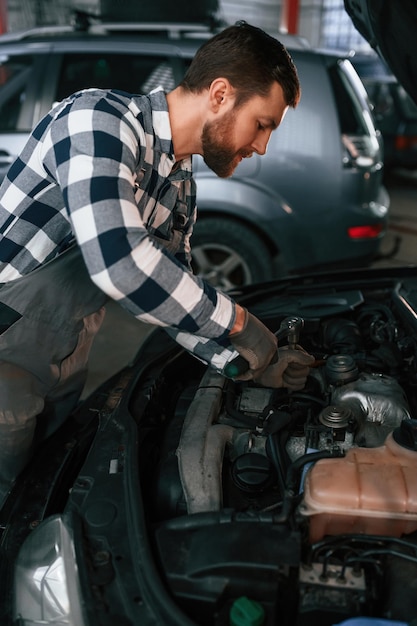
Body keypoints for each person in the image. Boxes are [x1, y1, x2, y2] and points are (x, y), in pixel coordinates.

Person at [0, 21, 314, 504]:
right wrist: (239, 321)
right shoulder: (97, 120)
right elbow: (120, 263)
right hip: (6, 349)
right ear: (220, 94)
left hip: (67, 350)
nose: (261, 146)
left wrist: (250, 362)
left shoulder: (179, 184)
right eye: (262, 123)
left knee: (43, 493)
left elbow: (174, 297)